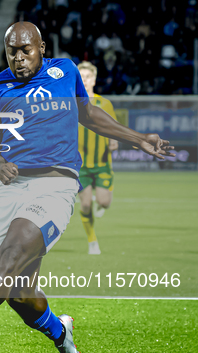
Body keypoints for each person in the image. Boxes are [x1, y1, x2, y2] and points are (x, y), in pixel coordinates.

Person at [0, 22, 174, 353]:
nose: (18, 58)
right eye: (11, 51)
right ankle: (60, 331)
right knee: (19, 295)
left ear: (41, 48)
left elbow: (88, 114)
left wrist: (139, 139)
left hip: (56, 184)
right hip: (10, 188)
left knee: (9, 257)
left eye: (25, 50)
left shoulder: (65, 72)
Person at [77, 61, 119, 255]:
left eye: (88, 77)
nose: (85, 80)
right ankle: (92, 240)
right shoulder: (70, 104)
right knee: (85, 205)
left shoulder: (105, 104)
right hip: (80, 166)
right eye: (81, 77)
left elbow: (113, 129)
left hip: (102, 163)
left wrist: (114, 141)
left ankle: (100, 200)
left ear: (94, 79)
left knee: (104, 203)